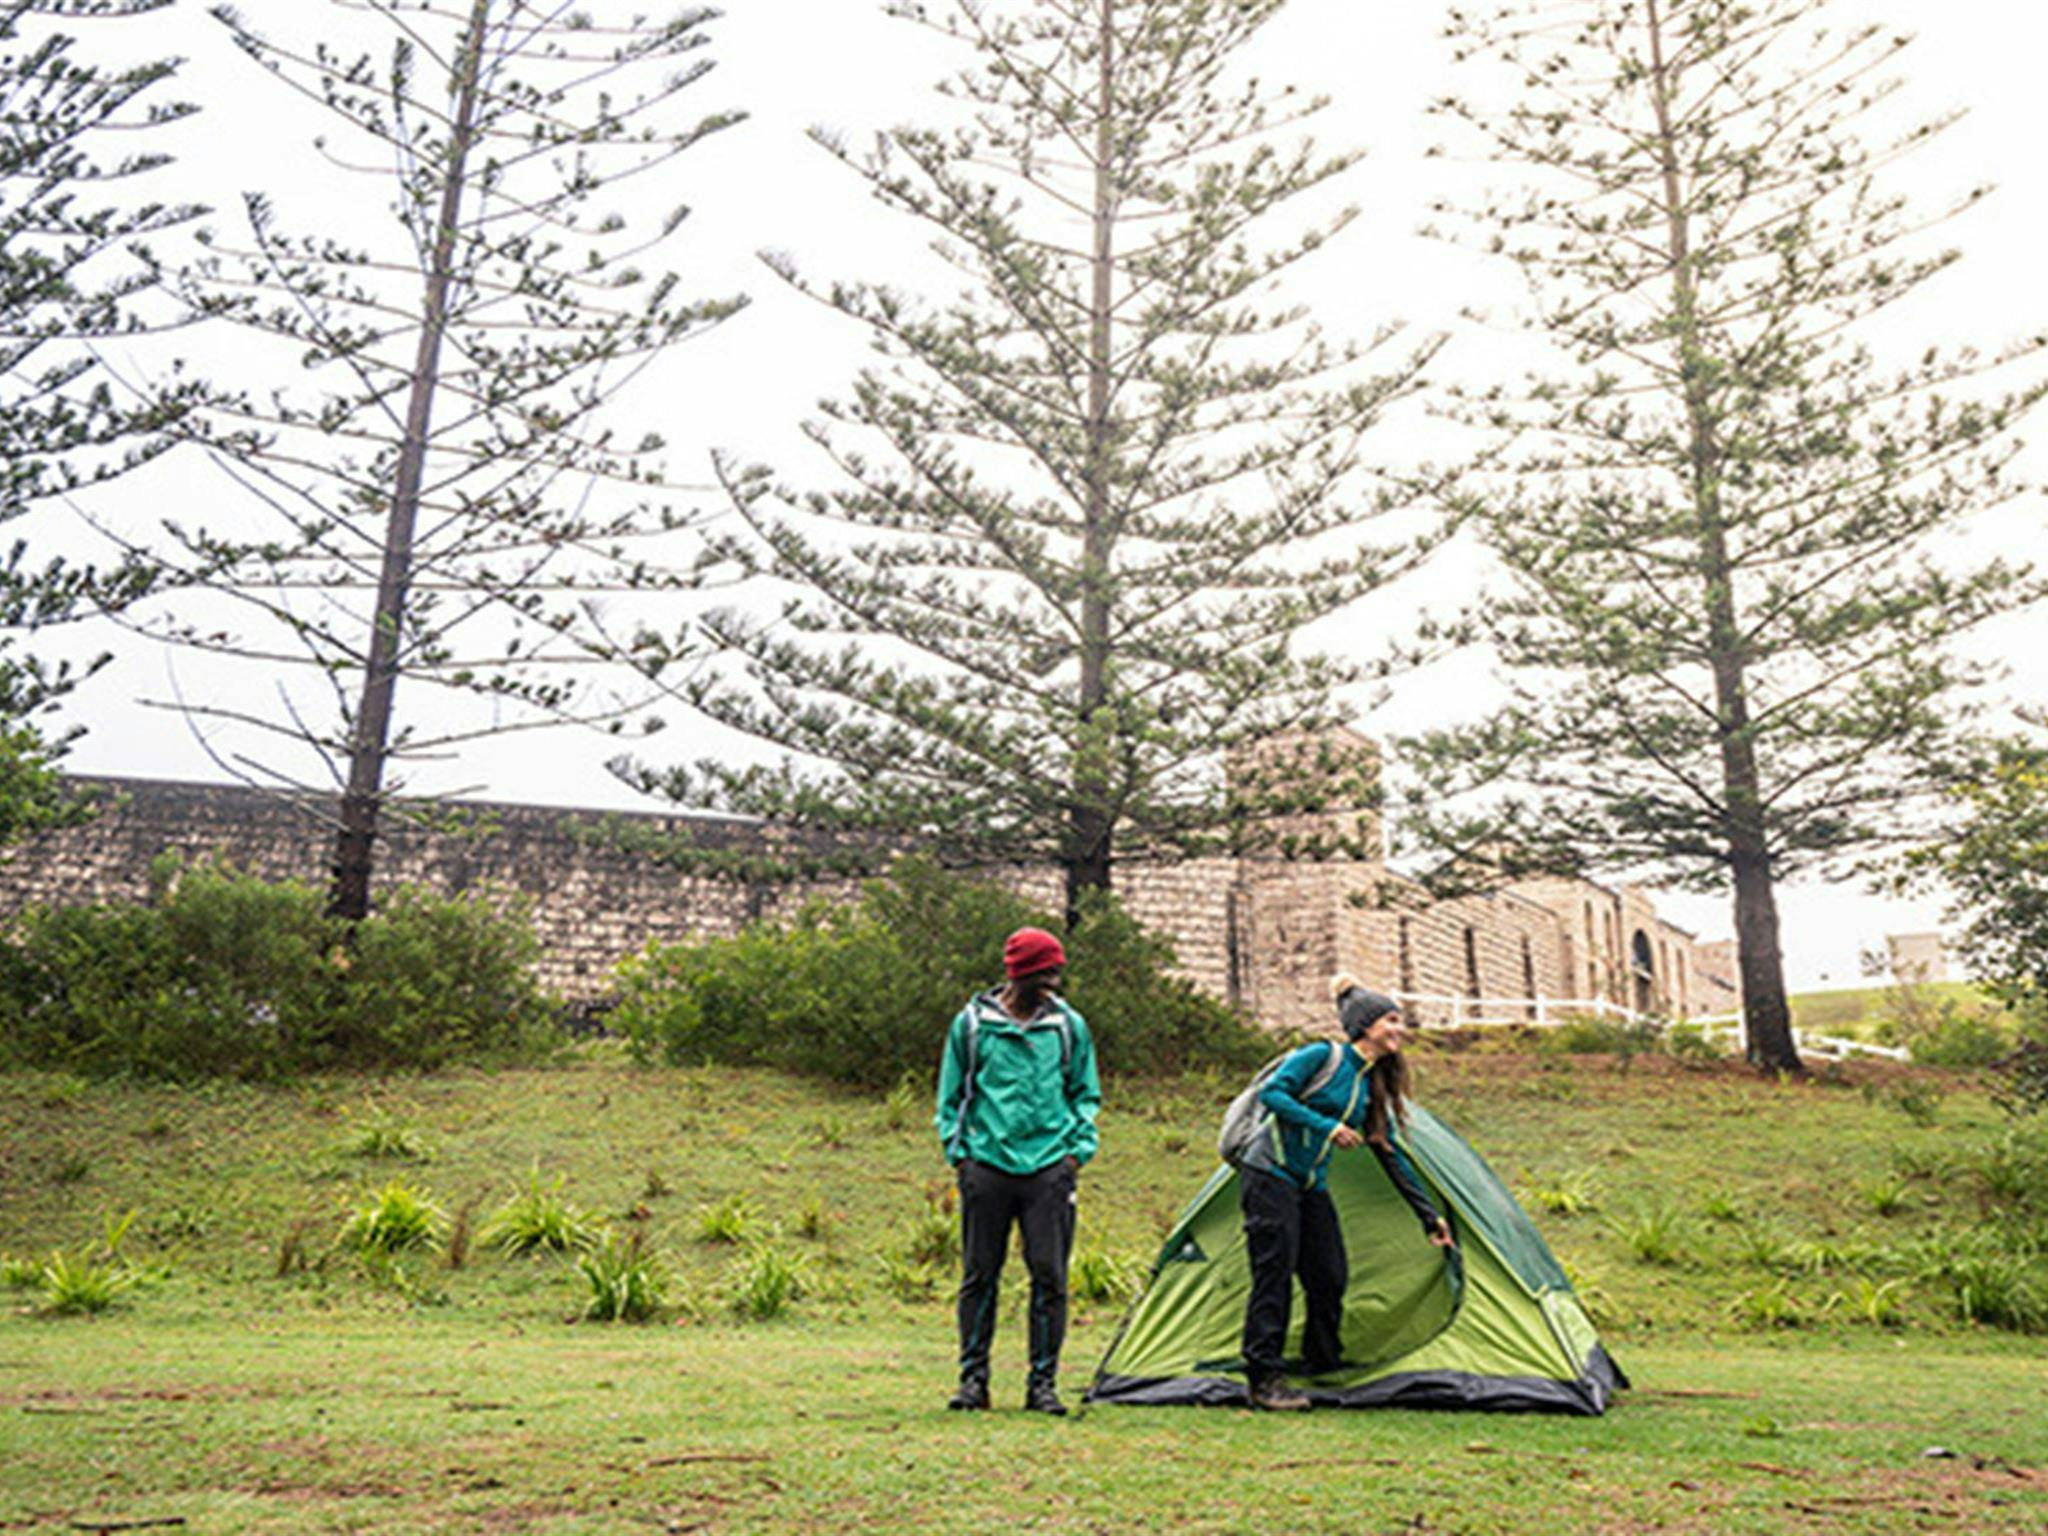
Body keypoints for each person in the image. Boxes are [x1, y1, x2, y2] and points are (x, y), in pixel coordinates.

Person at [1235, 972, 1455, 1411]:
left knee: (1328, 1273)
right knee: (1273, 1275)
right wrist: (1327, 1126)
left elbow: (1388, 1152)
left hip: (1309, 1184)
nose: (1399, 1029)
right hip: (1269, 1174)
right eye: (1391, 1020)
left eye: (1400, 1021)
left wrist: (1428, 1216)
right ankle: (1264, 1379)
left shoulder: (1369, 1082)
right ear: (1365, 1025)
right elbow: (1273, 1093)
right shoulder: (1323, 1056)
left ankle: (1321, 1360)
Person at [933, 926, 1101, 1415]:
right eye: (1044, 973)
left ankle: (1042, 1384)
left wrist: (1076, 1153)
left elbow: (1084, 1093)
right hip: (986, 1165)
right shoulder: (972, 1026)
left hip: (1050, 1168)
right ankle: (973, 1381)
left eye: (1056, 972)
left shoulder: (1069, 1028)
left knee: (1050, 1276)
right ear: (1020, 973)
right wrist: (959, 1154)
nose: (1052, 982)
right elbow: (952, 1097)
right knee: (979, 1274)